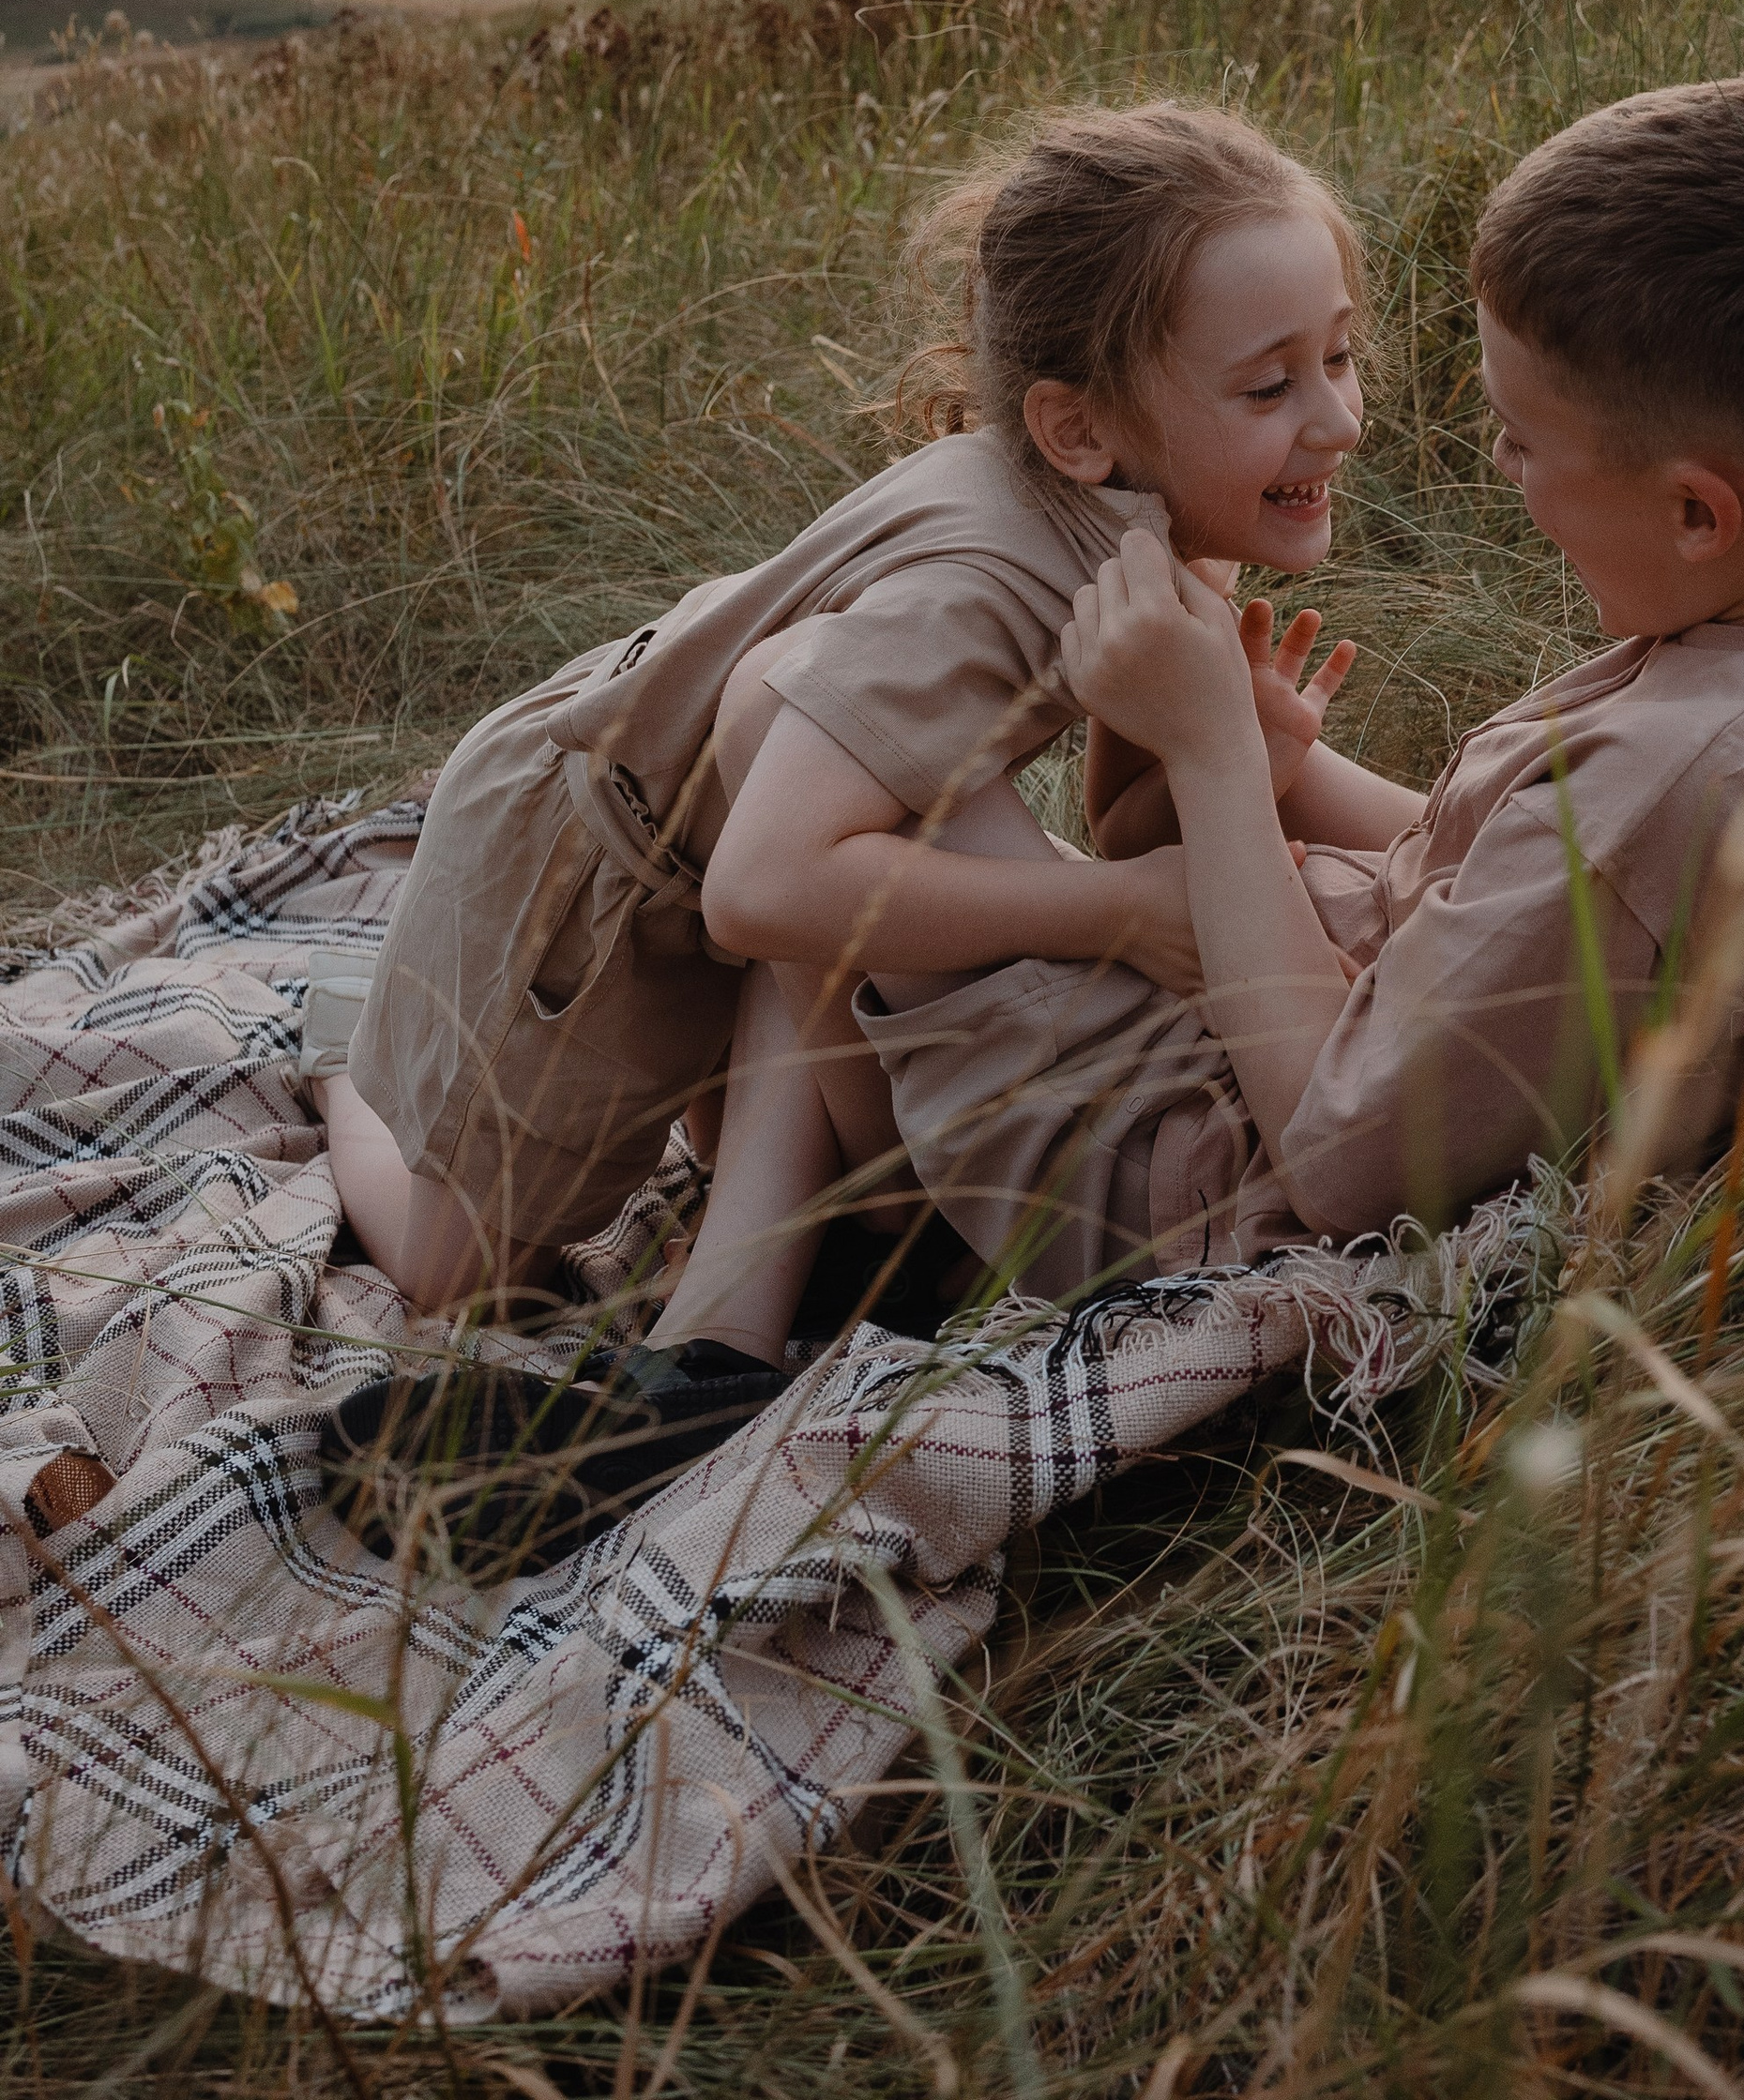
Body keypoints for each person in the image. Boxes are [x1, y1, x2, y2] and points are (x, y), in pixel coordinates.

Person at [316, 98, 1365, 1520]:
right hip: (587, 867)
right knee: (462, 1272)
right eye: (1272, 387)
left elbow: (1099, 813)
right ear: (1080, 429)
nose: (1338, 419)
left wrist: (1241, 758)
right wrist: (1118, 911)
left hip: (759, 860)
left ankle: (731, 1332)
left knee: (830, 877)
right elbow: (760, 889)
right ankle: (337, 1058)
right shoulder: (976, 592)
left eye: (1339, 356)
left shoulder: (1164, 523)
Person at [862, 74, 1744, 1291]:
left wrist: (1217, 757)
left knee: (870, 791)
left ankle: (844, 1282)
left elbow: (1336, 1158)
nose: (1500, 463)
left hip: (1195, 1175)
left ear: (1698, 513)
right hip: (1324, 998)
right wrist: (1273, 769)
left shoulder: (1690, 773)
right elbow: (1557, 887)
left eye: (1523, 439)